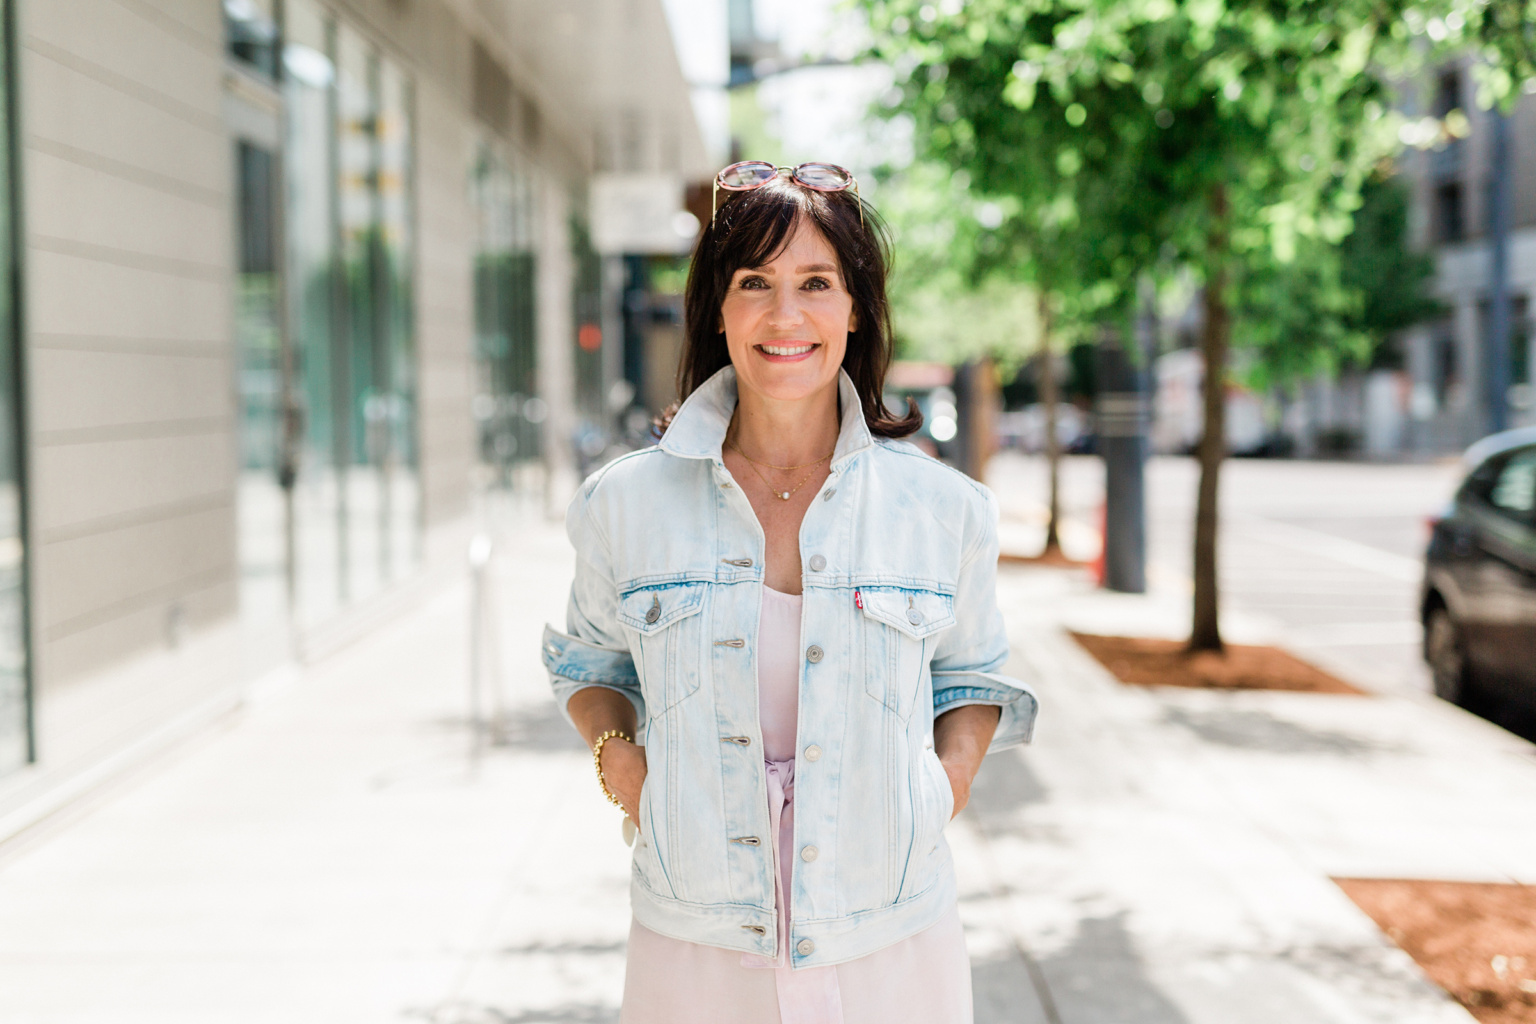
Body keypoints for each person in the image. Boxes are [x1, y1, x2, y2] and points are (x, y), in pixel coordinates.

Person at [541, 161, 1038, 1023]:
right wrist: (619, 760)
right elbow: (589, 663)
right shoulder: (625, 502)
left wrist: (942, 789)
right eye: (754, 283)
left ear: (856, 308)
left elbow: (972, 678)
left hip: (890, 938)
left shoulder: (942, 509)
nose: (785, 316)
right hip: (695, 940)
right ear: (718, 308)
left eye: (815, 283)